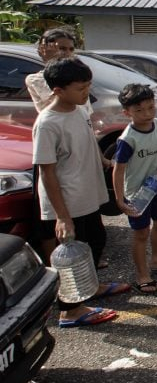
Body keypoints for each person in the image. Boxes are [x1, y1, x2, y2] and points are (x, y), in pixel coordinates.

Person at [32, 58, 129, 327]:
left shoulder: (78, 110)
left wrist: (105, 161)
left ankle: (92, 287)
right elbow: (47, 171)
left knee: (95, 242)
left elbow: (89, 141)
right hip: (67, 202)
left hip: (87, 195)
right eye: (80, 88)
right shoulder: (48, 123)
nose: (86, 92)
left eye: (88, 85)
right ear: (57, 90)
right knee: (73, 255)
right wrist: (62, 217)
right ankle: (70, 310)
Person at [113, 83, 157, 293]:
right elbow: (118, 169)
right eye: (138, 110)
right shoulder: (127, 139)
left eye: (150, 107)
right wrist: (120, 199)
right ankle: (142, 275)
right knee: (141, 232)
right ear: (127, 112)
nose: (146, 113)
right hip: (137, 195)